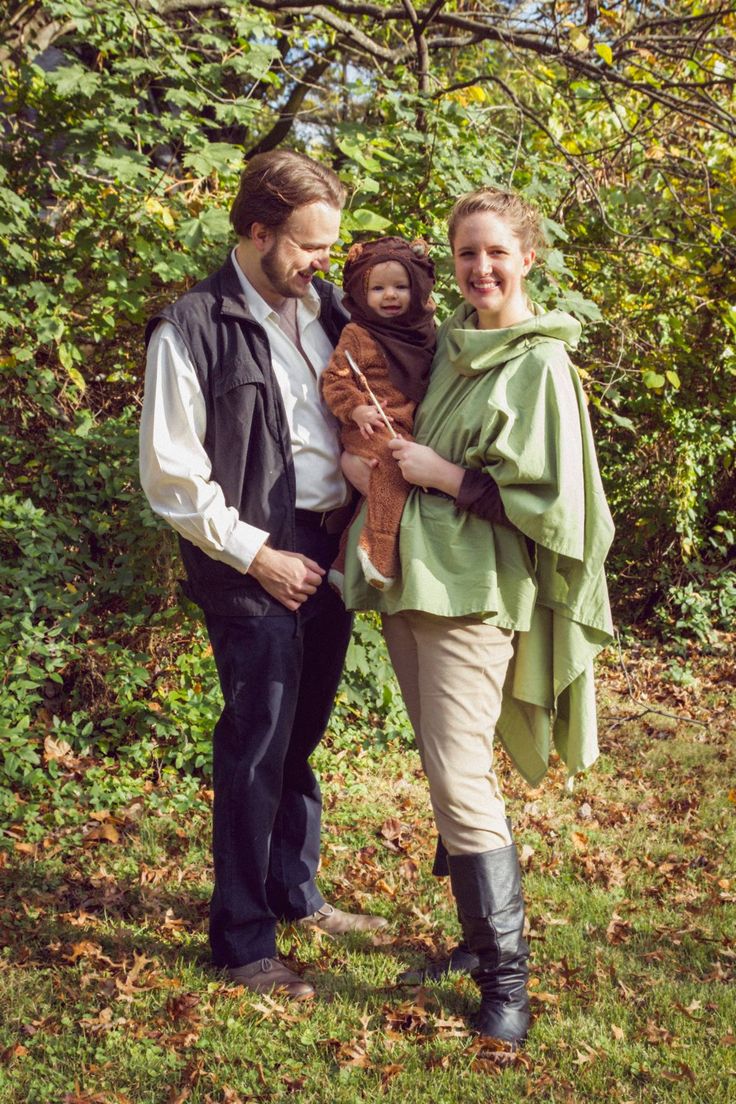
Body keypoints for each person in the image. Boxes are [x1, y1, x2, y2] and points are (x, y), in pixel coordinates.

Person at [339, 187, 614, 1045]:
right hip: (412, 583)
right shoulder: (452, 350)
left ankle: (508, 985)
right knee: (441, 765)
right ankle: (470, 942)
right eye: (466, 254)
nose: (481, 268)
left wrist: (438, 474)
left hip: (475, 592)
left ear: (527, 257)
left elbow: (559, 507)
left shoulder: (540, 366)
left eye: (496, 252)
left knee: (462, 777)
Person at [139, 149, 388, 1004]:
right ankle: (243, 940)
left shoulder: (323, 309)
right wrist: (258, 554)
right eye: (308, 246)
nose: (324, 262)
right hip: (248, 556)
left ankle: (296, 892)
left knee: (302, 732)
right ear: (256, 230)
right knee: (257, 741)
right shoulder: (192, 326)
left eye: (329, 245)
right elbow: (171, 478)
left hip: (326, 544)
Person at [320, 236, 436, 591]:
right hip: (369, 426)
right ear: (361, 293)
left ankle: (341, 565)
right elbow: (334, 381)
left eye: (400, 287)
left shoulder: (424, 332)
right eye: (379, 288)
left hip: (404, 425)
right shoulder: (358, 333)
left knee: (386, 478)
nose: (390, 296)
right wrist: (356, 409)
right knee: (394, 469)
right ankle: (380, 551)